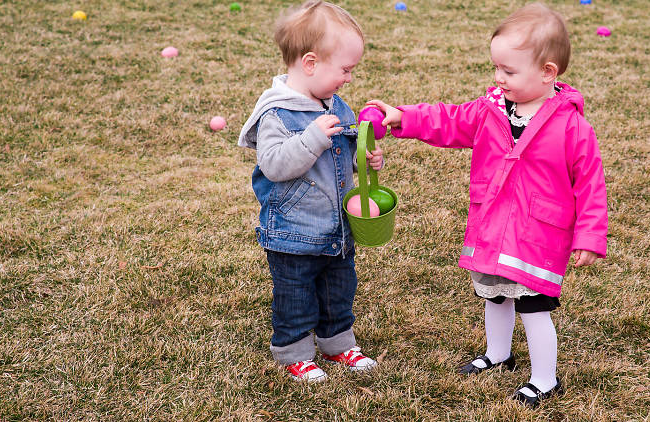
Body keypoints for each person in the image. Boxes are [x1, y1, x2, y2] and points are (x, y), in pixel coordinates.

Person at [366, 2, 607, 408]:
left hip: (538, 231)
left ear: (548, 72)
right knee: (494, 294)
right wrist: (402, 117)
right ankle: (498, 355)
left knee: (533, 306)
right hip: (493, 224)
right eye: (496, 68)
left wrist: (589, 236)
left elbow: (590, 184)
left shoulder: (571, 127)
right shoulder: (491, 109)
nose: (498, 78)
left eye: (509, 71)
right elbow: (449, 120)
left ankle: (545, 379)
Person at [238, 0, 383, 383]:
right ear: (310, 63)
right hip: (292, 231)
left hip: (335, 228)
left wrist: (365, 162)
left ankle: (338, 343)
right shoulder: (276, 113)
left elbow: (344, 158)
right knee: (296, 294)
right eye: (345, 70)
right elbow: (274, 164)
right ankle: (294, 351)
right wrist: (312, 139)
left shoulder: (338, 105)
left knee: (339, 289)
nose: (349, 78)